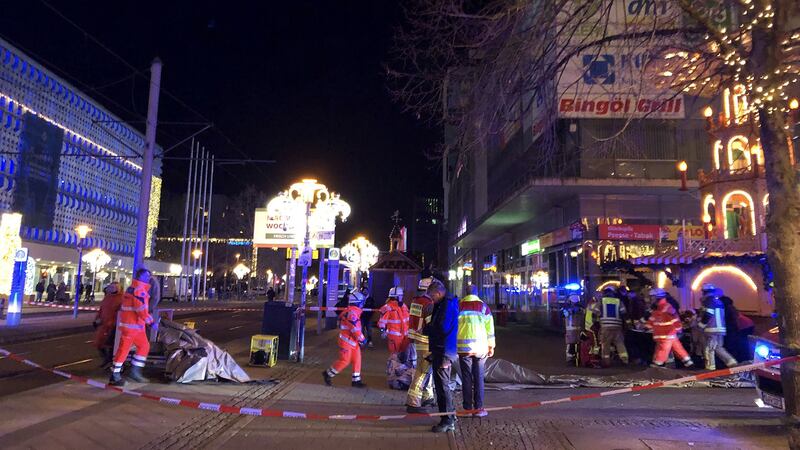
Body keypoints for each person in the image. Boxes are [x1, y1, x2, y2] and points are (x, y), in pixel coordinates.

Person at [423, 279, 458, 433]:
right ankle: (450, 416)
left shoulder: (446, 306)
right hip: (443, 349)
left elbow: (442, 327)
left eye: (432, 297)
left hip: (444, 351)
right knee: (442, 386)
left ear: (438, 293)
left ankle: (447, 420)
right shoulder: (445, 303)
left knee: (442, 387)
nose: (432, 300)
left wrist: (429, 329)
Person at [109, 268, 154, 386]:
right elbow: (141, 309)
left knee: (144, 346)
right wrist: (151, 322)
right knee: (124, 350)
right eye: (147, 276)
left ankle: (135, 372)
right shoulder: (139, 290)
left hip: (135, 327)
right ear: (141, 277)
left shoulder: (132, 288)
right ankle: (115, 376)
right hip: (132, 327)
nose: (149, 278)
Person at [457, 285, 495, 418]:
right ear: (477, 293)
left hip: (463, 349)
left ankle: (467, 409)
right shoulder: (484, 307)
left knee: (466, 378)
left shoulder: (459, 306)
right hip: (480, 348)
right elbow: (490, 329)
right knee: (479, 377)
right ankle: (479, 408)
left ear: (465, 293)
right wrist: (491, 346)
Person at [323, 291, 367, 387]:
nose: (363, 304)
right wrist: (362, 339)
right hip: (347, 341)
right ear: (358, 302)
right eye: (361, 302)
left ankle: (356, 380)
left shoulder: (352, 312)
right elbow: (355, 328)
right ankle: (328, 374)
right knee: (344, 361)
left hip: (352, 341)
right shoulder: (352, 313)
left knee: (357, 359)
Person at [406, 277, 436, 413]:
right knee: (422, 371)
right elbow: (431, 325)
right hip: (426, 340)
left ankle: (427, 397)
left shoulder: (416, 301)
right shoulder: (428, 304)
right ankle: (413, 402)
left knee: (426, 369)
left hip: (418, 339)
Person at [645, 288, 693, 368]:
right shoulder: (658, 308)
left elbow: (675, 319)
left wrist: (678, 328)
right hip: (666, 334)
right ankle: (688, 362)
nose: (650, 299)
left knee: (662, 350)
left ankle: (658, 364)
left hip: (666, 334)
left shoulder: (666, 307)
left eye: (652, 297)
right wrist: (647, 326)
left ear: (657, 297)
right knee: (677, 348)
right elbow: (653, 318)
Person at [698, 284, 738, 370]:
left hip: (711, 330)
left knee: (709, 349)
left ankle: (709, 369)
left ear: (704, 292)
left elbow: (708, 314)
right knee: (718, 348)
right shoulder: (718, 301)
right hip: (720, 329)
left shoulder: (708, 301)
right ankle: (732, 362)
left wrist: (701, 325)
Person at [591, 286, 629, 366]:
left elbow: (594, 312)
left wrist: (595, 322)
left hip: (605, 326)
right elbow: (624, 313)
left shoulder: (601, 301)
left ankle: (606, 361)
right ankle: (624, 359)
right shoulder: (619, 301)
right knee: (619, 343)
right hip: (617, 326)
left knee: (605, 344)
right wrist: (627, 324)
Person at [93, 282, 123, 367]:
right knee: (99, 344)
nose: (112, 289)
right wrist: (96, 319)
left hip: (113, 326)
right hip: (103, 324)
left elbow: (120, 313)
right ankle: (106, 359)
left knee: (110, 344)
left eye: (114, 287)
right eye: (111, 287)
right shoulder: (107, 297)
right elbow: (101, 309)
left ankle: (109, 360)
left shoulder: (122, 298)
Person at [378, 286, 410, 358]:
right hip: (394, 336)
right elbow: (382, 322)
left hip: (405, 335)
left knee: (403, 357)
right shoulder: (387, 307)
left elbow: (408, 319)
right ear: (396, 297)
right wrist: (383, 331)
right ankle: (391, 365)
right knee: (395, 356)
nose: (402, 297)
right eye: (401, 295)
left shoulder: (403, 306)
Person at [562, 292, 583, 365]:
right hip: (575, 330)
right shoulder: (578, 309)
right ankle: (572, 359)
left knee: (572, 345)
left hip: (572, 330)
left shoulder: (568, 309)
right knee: (573, 345)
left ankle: (572, 359)